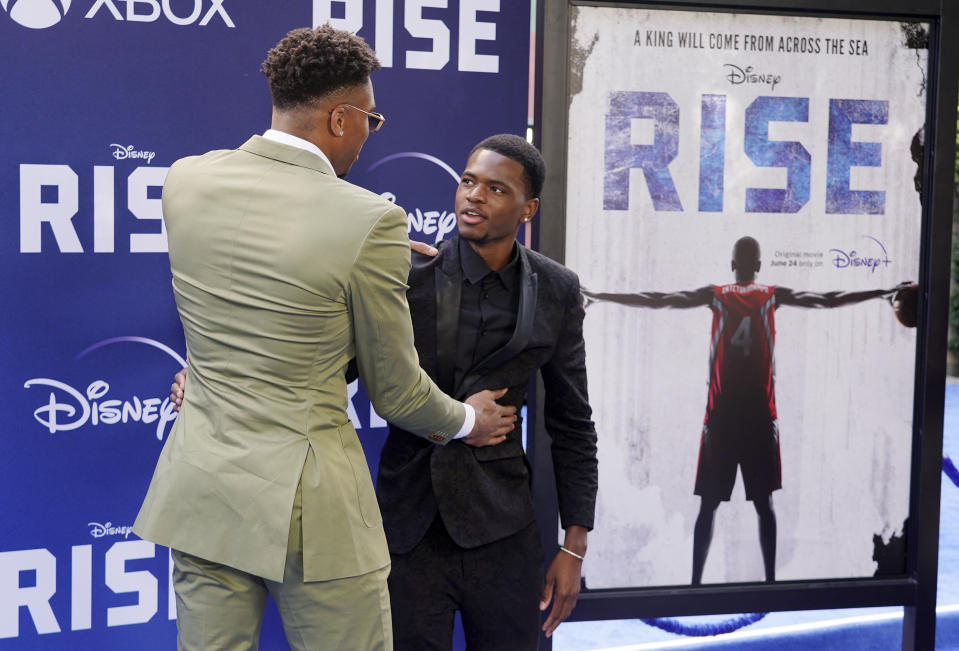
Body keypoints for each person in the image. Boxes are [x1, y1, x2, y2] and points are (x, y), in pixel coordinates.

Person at [135, 26, 516, 651]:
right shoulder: (370, 221)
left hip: (202, 487)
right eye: (372, 119)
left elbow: (257, 305)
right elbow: (397, 394)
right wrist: (470, 422)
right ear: (342, 118)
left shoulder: (185, 181)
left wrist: (373, 266)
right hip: (311, 508)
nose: (369, 134)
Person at [171, 134, 599, 649]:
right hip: (406, 532)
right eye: (467, 181)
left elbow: (573, 422)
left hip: (504, 532)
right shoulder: (406, 273)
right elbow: (323, 363)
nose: (473, 196)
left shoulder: (557, 288)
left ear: (528, 208)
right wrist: (217, 376)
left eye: (495, 188)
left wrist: (573, 546)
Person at [583, 236, 904, 585]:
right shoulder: (771, 295)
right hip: (759, 419)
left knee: (709, 506)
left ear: (732, 265)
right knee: (764, 506)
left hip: (721, 418)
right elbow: (827, 301)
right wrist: (882, 292)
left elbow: (658, 301)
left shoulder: (717, 294)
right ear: (760, 266)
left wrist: (599, 297)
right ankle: (769, 583)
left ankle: (695, 585)